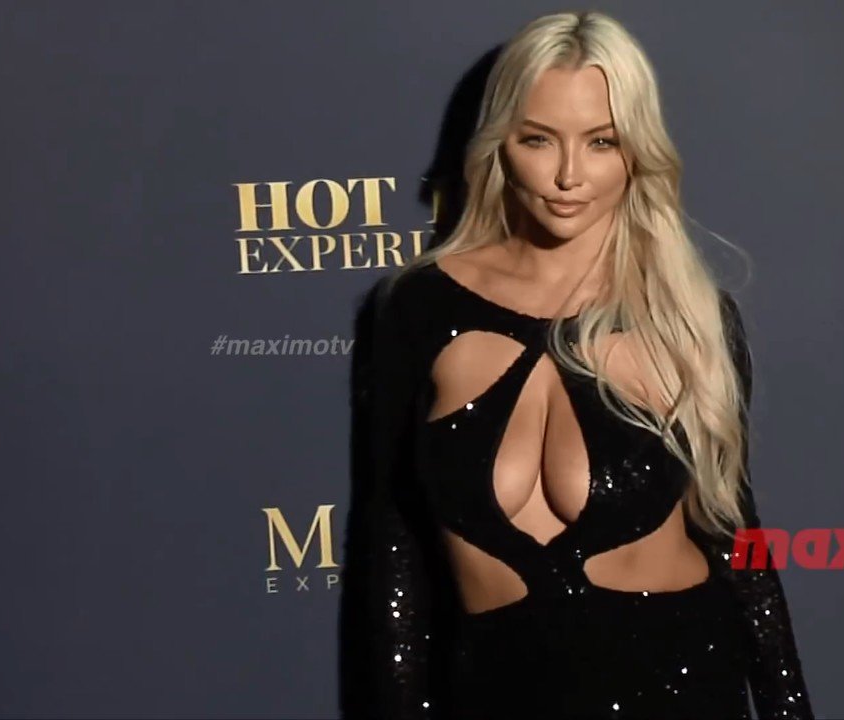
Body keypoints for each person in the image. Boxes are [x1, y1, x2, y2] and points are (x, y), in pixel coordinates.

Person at [341, 10, 814, 720]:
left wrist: (789, 709)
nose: (568, 176)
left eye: (602, 142)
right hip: (493, 692)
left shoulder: (686, 315)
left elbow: (734, 537)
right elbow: (394, 541)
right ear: (501, 144)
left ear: (636, 151)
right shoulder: (416, 307)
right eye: (538, 139)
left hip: (681, 684)